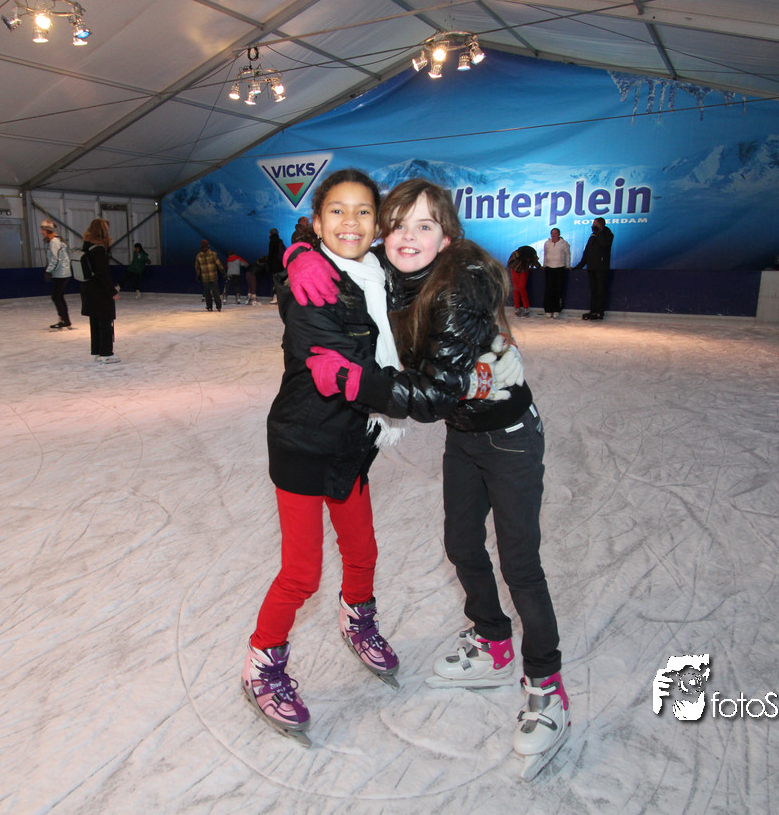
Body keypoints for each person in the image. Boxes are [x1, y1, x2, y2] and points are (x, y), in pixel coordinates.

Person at [292, 178, 568, 778]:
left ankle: (547, 686)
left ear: (447, 237)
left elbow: (436, 394)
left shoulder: (459, 285)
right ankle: (493, 641)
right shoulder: (394, 272)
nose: (406, 237)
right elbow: (340, 243)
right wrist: (300, 254)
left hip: (509, 435)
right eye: (397, 225)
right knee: (462, 545)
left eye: (424, 226)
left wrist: (357, 381)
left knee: (519, 563)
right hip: (466, 435)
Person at [242, 168, 402, 747]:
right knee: (302, 573)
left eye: (363, 211)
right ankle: (261, 663)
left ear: (378, 225)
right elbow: (344, 370)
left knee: (364, 551)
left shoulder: (382, 275)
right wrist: (298, 257)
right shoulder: (309, 287)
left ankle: (358, 619)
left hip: (353, 443)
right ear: (316, 221)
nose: (350, 222)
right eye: (337, 210)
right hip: (304, 444)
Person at [80, 218, 120, 363]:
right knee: (105, 321)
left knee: (95, 321)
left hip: (88, 289)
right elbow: (102, 273)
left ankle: (97, 351)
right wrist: (112, 292)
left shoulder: (87, 246)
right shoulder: (99, 249)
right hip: (100, 291)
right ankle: (106, 353)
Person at [575, 217, 614, 320]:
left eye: (594, 224)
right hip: (592, 267)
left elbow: (604, 244)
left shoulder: (608, 235)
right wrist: (580, 265)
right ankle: (593, 310)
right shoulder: (593, 236)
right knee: (593, 290)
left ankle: (600, 312)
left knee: (600, 290)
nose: (592, 226)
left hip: (601, 267)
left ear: (600, 225)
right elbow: (587, 251)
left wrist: (599, 233)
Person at [41, 219, 72, 330]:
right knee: (58, 297)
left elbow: (56, 259)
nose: (41, 232)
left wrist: (48, 271)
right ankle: (65, 320)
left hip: (61, 273)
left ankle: (64, 320)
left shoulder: (54, 242)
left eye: (43, 229)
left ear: (47, 230)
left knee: (56, 297)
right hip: (60, 272)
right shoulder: (52, 241)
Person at [541, 227, 571, 319]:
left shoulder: (564, 244)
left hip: (559, 268)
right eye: (552, 233)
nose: (553, 235)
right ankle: (548, 310)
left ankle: (556, 310)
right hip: (549, 268)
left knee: (558, 290)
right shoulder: (547, 243)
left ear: (559, 234)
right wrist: (544, 264)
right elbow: (545, 254)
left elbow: (568, 254)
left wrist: (568, 265)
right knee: (548, 289)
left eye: (555, 233)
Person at [507, 245, 540, 318]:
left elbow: (535, 261)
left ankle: (526, 307)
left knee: (522, 288)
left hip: (524, 271)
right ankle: (517, 307)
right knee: (515, 289)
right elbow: (509, 262)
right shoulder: (516, 254)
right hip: (514, 270)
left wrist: (539, 267)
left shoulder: (532, 253)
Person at [194, 239, 223, 311]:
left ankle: (209, 306)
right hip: (213, 276)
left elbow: (197, 267)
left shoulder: (198, 256)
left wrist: (198, 275)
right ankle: (218, 306)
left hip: (205, 277)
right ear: (208, 245)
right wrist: (223, 271)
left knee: (207, 292)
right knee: (216, 291)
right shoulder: (213, 254)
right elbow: (218, 264)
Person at [267, 228, 286, 305]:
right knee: (280, 281)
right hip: (281, 264)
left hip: (275, 265)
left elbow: (271, 254)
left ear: (271, 234)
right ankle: (281, 297)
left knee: (275, 281)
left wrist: (269, 263)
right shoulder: (280, 241)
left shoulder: (272, 241)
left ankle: (275, 297)